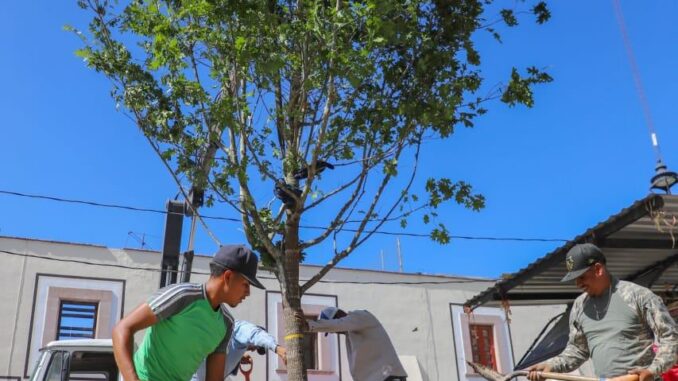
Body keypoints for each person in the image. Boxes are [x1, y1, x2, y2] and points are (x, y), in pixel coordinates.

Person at [112, 245, 265, 381]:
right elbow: (122, 329)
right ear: (228, 276)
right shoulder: (182, 295)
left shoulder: (226, 324)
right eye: (246, 284)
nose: (248, 293)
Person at [527, 244, 678, 381]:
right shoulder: (580, 306)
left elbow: (671, 337)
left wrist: (652, 371)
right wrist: (550, 366)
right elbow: (578, 350)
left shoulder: (638, 296)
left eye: (581, 277)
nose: (578, 284)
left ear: (598, 269)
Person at [303, 307, 408, 381]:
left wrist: (308, 325)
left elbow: (340, 324)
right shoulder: (350, 337)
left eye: (333, 330)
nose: (336, 332)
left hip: (389, 377)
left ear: (338, 316)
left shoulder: (362, 316)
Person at [191, 320, 287, 381]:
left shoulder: (239, 347)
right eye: (257, 347)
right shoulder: (239, 328)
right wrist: (278, 348)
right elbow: (254, 334)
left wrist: (239, 358)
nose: (254, 350)